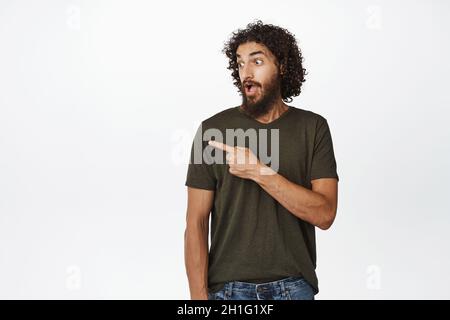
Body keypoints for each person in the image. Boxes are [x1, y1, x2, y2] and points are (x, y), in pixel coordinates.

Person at [184, 20, 339, 300]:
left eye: (257, 61)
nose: (247, 72)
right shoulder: (212, 131)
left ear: (281, 66)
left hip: (294, 288)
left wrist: (259, 172)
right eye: (241, 63)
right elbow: (195, 223)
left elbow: (325, 214)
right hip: (227, 291)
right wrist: (198, 299)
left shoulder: (313, 127)